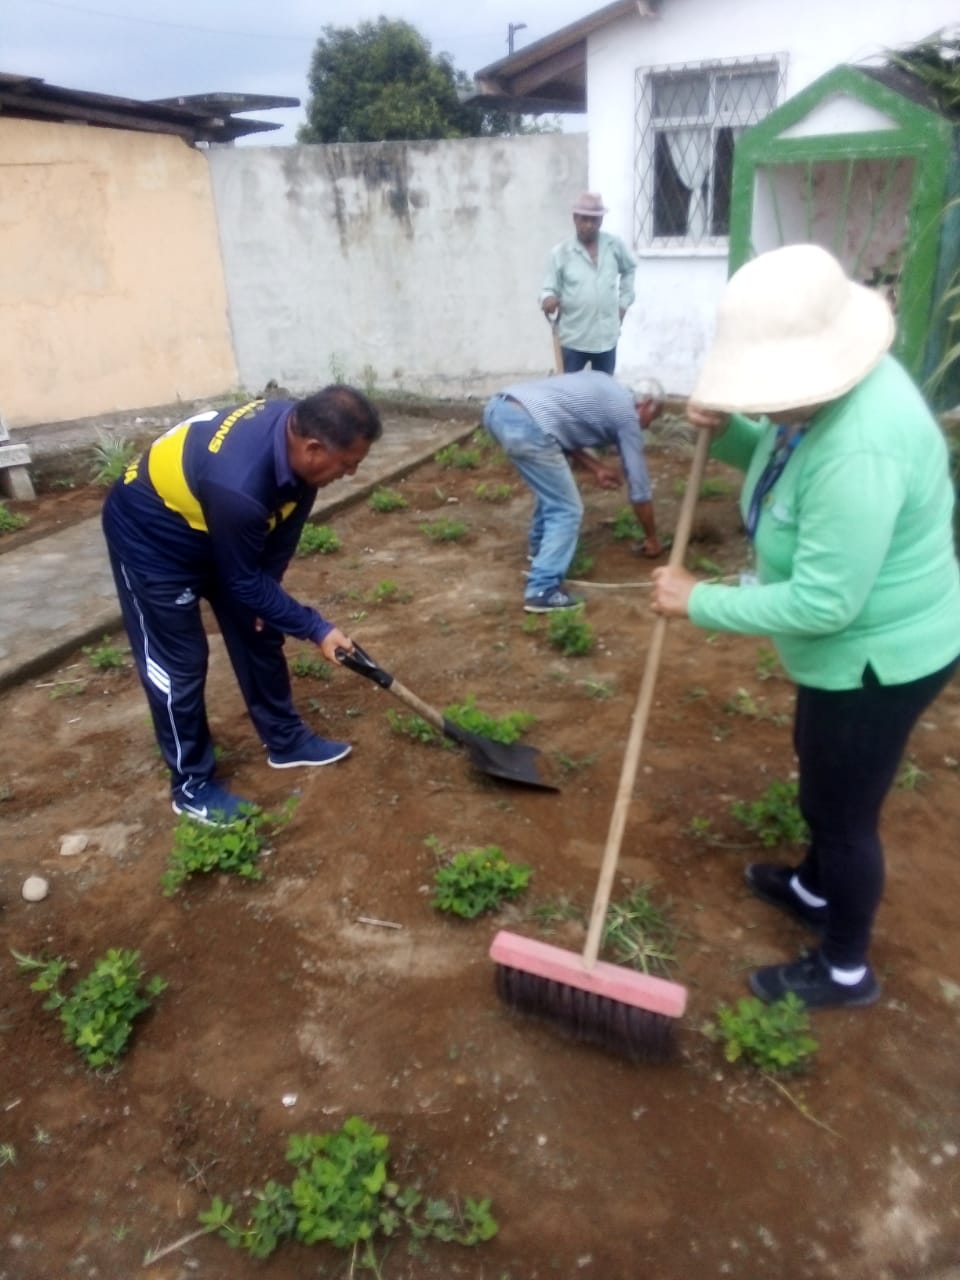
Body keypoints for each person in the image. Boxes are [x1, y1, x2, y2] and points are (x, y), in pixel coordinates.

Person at [651, 243, 960, 1010]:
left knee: (843, 813)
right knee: (819, 769)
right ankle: (815, 888)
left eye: (764, 392)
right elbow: (784, 464)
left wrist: (699, 600)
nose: (761, 406)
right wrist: (727, 431)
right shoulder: (826, 400)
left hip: (878, 660)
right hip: (843, 654)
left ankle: (846, 967)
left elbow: (826, 604)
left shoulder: (861, 446)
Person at [102, 385, 383, 825]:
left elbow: (281, 535)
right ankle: (191, 786)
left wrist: (266, 598)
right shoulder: (240, 483)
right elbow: (243, 579)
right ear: (313, 448)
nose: (350, 473)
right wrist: (317, 629)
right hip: (153, 539)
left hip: (217, 524)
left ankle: (286, 741)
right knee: (180, 662)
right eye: (347, 463)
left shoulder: (299, 453)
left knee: (258, 625)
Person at [482, 369, 663, 612]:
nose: (647, 426)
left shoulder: (604, 386)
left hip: (498, 409)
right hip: (528, 424)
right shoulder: (627, 417)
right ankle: (542, 589)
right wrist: (651, 538)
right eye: (652, 419)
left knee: (553, 491)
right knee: (566, 509)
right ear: (646, 405)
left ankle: (541, 553)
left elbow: (558, 431)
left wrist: (597, 468)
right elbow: (639, 487)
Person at [540, 192, 636, 375]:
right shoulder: (561, 253)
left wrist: (624, 303)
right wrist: (548, 300)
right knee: (571, 389)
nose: (589, 225)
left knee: (603, 388)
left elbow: (629, 269)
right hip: (574, 339)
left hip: (606, 337)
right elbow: (548, 289)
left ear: (601, 221)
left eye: (594, 220)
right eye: (584, 219)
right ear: (575, 219)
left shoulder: (613, 246)